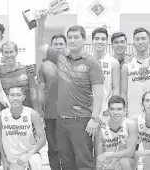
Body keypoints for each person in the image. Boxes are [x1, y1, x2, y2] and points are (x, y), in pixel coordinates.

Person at [37, 16, 104, 170]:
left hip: (82, 121)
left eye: (76, 37)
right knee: (66, 162)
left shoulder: (92, 63)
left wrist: (94, 119)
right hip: (61, 121)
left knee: (84, 162)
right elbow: (41, 44)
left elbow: (99, 94)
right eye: (70, 37)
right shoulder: (61, 59)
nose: (72, 40)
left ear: (83, 39)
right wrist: (41, 22)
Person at [0, 41, 39, 167]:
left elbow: (34, 94)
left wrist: (37, 115)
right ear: (2, 54)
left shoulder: (27, 70)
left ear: (16, 52)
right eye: (6, 52)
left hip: (25, 119)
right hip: (6, 119)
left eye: (11, 51)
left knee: (26, 150)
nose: (9, 55)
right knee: (3, 151)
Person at [36, 26, 65, 169]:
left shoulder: (72, 62)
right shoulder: (44, 67)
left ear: (65, 46)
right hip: (51, 114)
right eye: (56, 44)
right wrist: (40, 112)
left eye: (61, 44)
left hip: (69, 114)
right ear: (51, 47)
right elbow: (40, 91)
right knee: (53, 148)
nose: (59, 47)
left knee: (67, 148)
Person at [0, 86, 46, 170]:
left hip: (27, 157)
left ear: (23, 97)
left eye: (18, 95)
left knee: (35, 160)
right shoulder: (1, 115)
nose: (15, 98)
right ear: (7, 97)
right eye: (12, 95)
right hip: (10, 160)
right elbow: (1, 139)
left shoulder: (32, 114)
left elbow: (42, 139)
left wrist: (28, 155)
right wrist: (4, 160)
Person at [122, 28, 150, 116]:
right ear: (133, 43)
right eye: (137, 39)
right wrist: (124, 110)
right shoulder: (126, 65)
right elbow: (123, 92)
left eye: (143, 38)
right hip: (133, 112)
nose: (140, 42)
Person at [95, 96, 138, 170]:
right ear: (108, 111)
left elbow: (130, 152)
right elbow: (99, 156)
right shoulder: (102, 128)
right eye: (112, 109)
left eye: (119, 109)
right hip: (108, 166)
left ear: (125, 111)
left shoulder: (131, 125)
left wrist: (108, 154)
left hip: (124, 165)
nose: (115, 112)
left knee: (125, 162)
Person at [91, 28, 120, 126]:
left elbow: (116, 88)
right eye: (97, 38)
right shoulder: (86, 61)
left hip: (106, 109)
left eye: (103, 39)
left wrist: (114, 108)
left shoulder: (113, 62)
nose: (100, 41)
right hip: (88, 108)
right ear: (92, 41)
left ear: (107, 42)